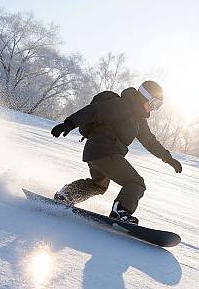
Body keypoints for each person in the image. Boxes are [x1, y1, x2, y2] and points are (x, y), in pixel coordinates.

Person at [50, 80, 182, 224]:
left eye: (158, 106)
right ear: (144, 97)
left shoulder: (140, 121)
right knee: (135, 182)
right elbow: (94, 111)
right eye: (153, 103)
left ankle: (67, 195)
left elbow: (150, 142)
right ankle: (121, 211)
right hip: (105, 151)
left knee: (98, 185)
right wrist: (69, 123)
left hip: (97, 153)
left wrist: (168, 158)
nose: (154, 109)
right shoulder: (122, 105)